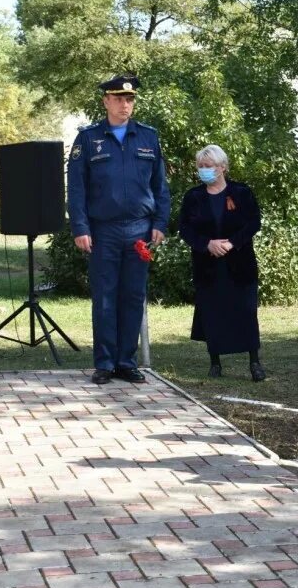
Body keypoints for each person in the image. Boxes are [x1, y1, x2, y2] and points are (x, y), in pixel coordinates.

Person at [67, 74, 170, 385]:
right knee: (105, 298)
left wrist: (160, 223)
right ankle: (105, 363)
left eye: (130, 99)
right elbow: (77, 188)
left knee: (133, 296)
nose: (126, 104)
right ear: (106, 102)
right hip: (103, 231)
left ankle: (127, 361)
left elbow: (160, 186)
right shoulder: (88, 138)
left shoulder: (148, 137)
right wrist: (81, 227)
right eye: (119, 99)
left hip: (140, 229)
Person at [179, 145, 266, 382]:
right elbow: (185, 228)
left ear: (223, 167)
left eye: (209, 166)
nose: (204, 170)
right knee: (212, 312)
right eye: (201, 167)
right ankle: (215, 362)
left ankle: (254, 363)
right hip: (207, 265)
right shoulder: (194, 197)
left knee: (246, 312)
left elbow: (253, 222)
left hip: (239, 263)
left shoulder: (241, 192)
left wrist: (232, 243)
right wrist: (207, 244)